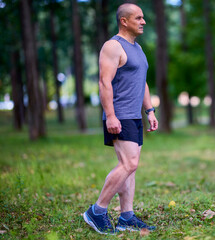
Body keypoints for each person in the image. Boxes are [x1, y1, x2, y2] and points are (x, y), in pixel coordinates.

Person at [83, 3, 158, 235]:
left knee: (130, 169)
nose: (143, 21)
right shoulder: (112, 46)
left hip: (135, 115)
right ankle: (97, 210)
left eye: (143, 17)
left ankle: (126, 217)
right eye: (138, 18)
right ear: (124, 21)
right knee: (129, 163)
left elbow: (142, 82)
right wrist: (111, 116)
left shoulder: (137, 48)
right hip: (120, 115)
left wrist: (150, 111)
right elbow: (104, 82)